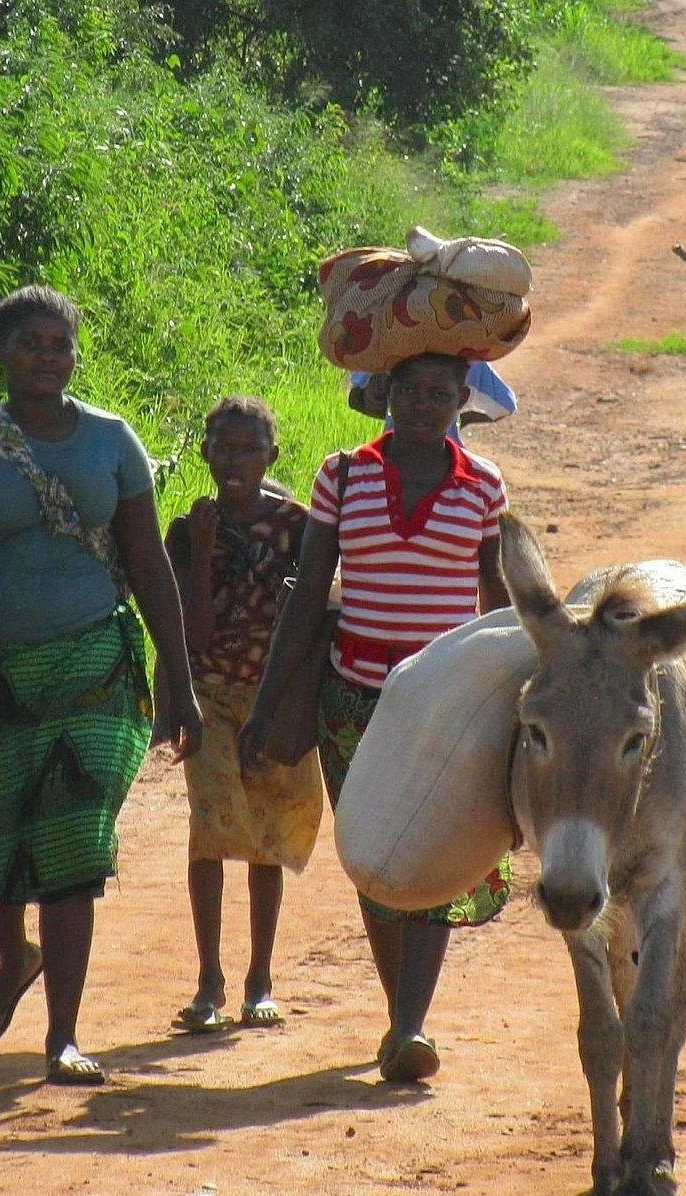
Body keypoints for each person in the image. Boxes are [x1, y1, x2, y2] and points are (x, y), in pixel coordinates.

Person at [0, 284, 203, 1086]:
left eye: (59, 344)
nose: (45, 356)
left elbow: (150, 566)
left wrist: (177, 678)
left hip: (97, 667)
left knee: (72, 847)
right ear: (0, 352)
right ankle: (16, 957)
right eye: (29, 343)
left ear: (75, 356)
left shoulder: (112, 441)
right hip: (3, 676)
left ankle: (64, 1037)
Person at [238, 352, 513, 1083]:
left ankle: (410, 1024)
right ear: (387, 394)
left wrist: (517, 692)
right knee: (377, 860)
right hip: (352, 697)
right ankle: (403, 1022)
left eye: (441, 395)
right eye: (412, 392)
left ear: (463, 402)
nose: (425, 406)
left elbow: (497, 603)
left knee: (436, 854)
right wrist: (266, 704)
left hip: (446, 703)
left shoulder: (483, 488)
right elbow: (307, 596)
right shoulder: (345, 475)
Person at [157, 396, 324, 1035]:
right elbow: (191, 634)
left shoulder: (297, 527)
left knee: (266, 837)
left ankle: (260, 978)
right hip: (210, 697)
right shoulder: (187, 531)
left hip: (272, 701)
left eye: (249, 449)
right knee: (210, 829)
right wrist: (202, 553)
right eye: (223, 448)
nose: (235, 461)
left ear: (271, 457)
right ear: (204, 453)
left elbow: (312, 617)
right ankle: (209, 979)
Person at [347, 360, 517, 449]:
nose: (421, 406)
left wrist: (399, 405)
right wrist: (460, 417)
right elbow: (505, 405)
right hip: (451, 469)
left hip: (392, 454)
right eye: (408, 390)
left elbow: (355, 399)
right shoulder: (469, 358)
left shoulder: (393, 344)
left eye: (440, 395)